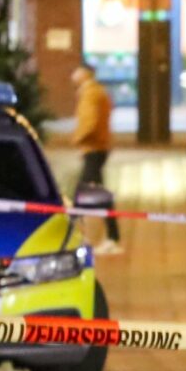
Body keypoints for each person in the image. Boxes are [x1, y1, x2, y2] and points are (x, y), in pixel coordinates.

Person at [69, 64, 121, 251]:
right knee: (95, 193)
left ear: (84, 74)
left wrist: (77, 138)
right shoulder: (96, 91)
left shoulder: (90, 93)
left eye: (76, 70)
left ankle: (69, 234)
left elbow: (90, 121)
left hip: (93, 148)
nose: (73, 74)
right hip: (98, 147)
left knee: (83, 192)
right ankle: (111, 237)